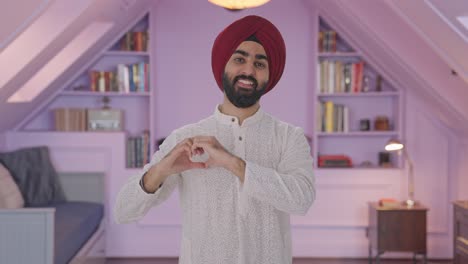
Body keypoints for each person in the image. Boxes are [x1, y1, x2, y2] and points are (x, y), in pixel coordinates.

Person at [114, 15, 315, 264]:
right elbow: (123, 211)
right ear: (223, 66)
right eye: (240, 59)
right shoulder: (185, 138)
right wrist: (162, 169)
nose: (249, 71)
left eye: (260, 64)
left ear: (268, 75)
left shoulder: (288, 137)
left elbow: (302, 200)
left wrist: (234, 164)